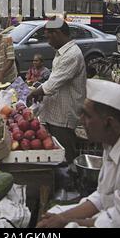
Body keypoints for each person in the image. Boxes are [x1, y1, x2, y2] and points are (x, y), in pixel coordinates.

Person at [37, 79, 120, 228]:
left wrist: (67, 222)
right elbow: (103, 196)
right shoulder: (112, 140)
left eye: (87, 116)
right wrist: (60, 217)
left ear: (109, 123)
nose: (81, 120)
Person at [27, 17, 86, 164]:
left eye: (48, 37)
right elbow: (55, 81)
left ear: (57, 33)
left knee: (65, 156)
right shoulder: (62, 52)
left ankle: (71, 182)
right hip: (54, 113)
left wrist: (35, 92)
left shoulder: (72, 54)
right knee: (55, 155)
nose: (48, 41)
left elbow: (52, 84)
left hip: (64, 117)